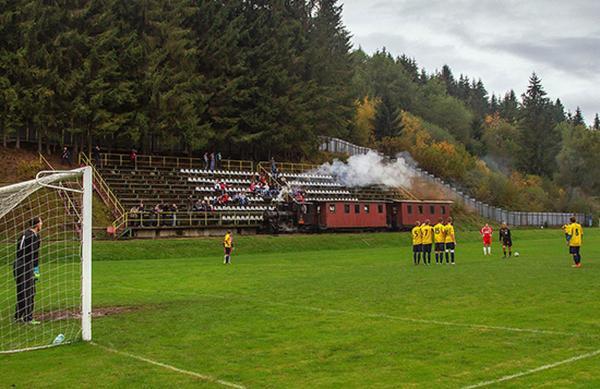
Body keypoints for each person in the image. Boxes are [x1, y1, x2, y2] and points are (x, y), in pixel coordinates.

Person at [14, 217, 43, 324]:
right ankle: (28, 318)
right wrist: (35, 269)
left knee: (21, 290)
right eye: (40, 222)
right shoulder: (33, 237)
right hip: (26, 265)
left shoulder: (23, 234)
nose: (42, 224)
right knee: (30, 291)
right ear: (37, 225)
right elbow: (33, 254)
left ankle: (18, 316)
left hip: (18, 264)